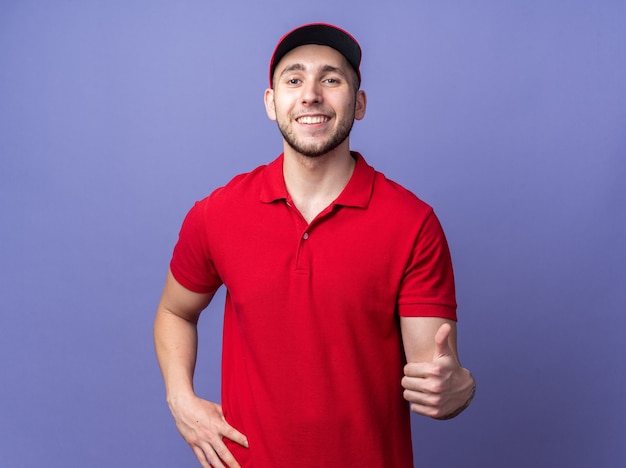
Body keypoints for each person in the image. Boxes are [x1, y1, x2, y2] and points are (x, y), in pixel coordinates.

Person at [154, 23, 476, 468]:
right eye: (293, 79)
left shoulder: (412, 224)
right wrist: (180, 398)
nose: (310, 95)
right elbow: (175, 311)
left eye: (331, 79)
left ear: (358, 103)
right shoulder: (216, 214)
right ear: (271, 103)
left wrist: (457, 386)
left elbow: (435, 376)